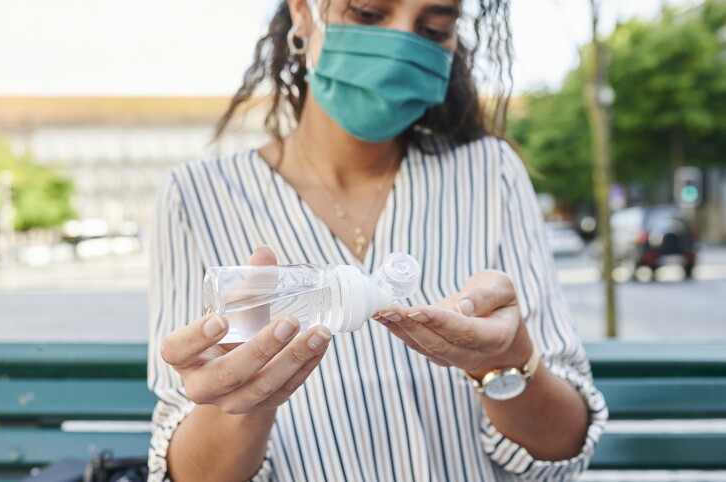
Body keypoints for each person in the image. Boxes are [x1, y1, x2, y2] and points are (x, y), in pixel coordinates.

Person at [147, 0, 608, 480]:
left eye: (432, 28)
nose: (401, 45)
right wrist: (243, 398)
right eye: (368, 14)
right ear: (303, 14)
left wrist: (505, 363)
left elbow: (563, 449)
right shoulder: (195, 198)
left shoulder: (491, 175)